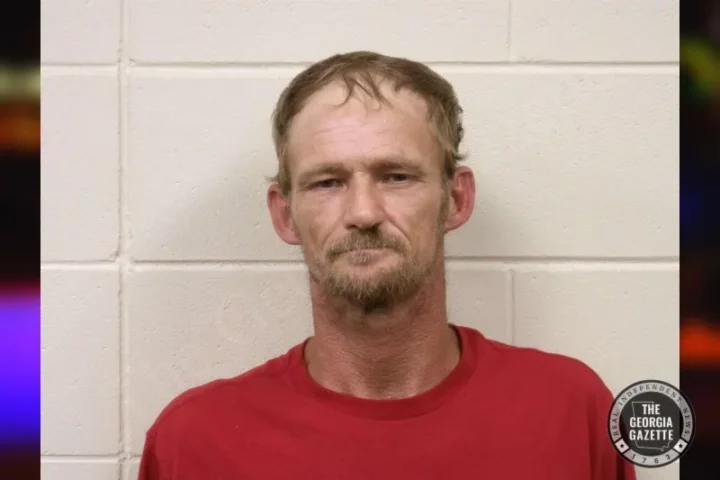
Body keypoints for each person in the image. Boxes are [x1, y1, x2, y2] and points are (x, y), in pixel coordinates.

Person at [138, 51, 636, 479]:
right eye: (327, 182)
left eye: (396, 176)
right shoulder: (195, 442)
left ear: (456, 200)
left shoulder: (572, 410)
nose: (363, 212)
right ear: (285, 215)